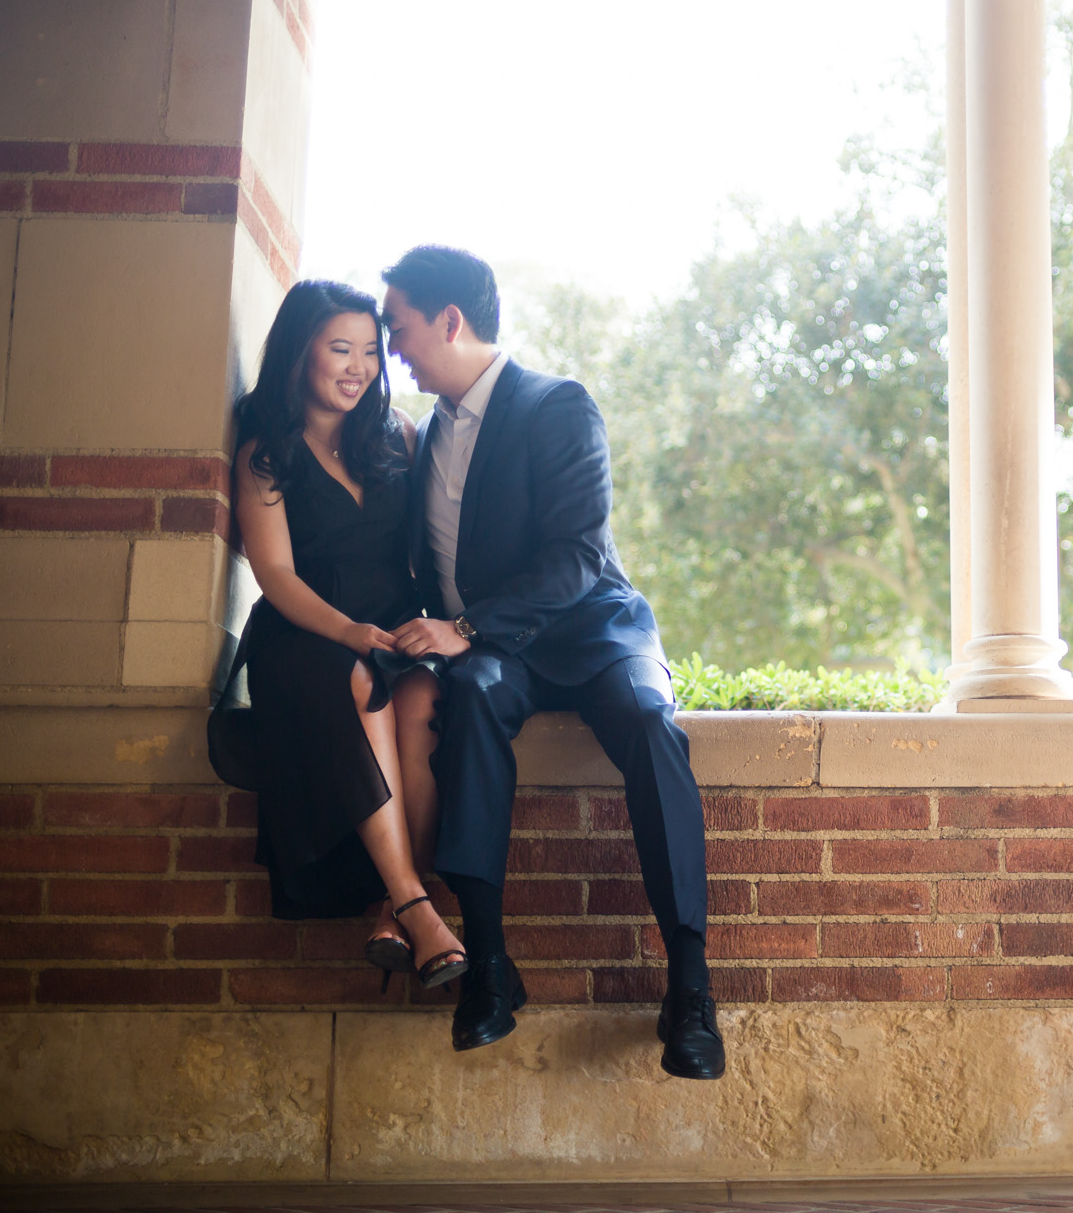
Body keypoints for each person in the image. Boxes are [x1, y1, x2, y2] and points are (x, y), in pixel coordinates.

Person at [380, 244, 723, 1078]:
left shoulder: (557, 405)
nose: (393, 349)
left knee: (649, 721)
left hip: (593, 627)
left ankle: (689, 983)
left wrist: (467, 626)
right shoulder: (426, 438)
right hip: (501, 649)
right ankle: (491, 966)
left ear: (449, 320)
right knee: (467, 709)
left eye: (399, 328)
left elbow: (575, 557)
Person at [231, 280, 465, 991]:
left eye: (370, 349)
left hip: (394, 630)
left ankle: (390, 907)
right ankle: (419, 906)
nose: (359, 366)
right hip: (307, 635)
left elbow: (435, 548)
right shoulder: (266, 451)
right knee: (359, 681)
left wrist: (451, 627)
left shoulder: (395, 436)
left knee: (423, 698)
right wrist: (349, 630)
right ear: (301, 352)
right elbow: (274, 572)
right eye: (341, 348)